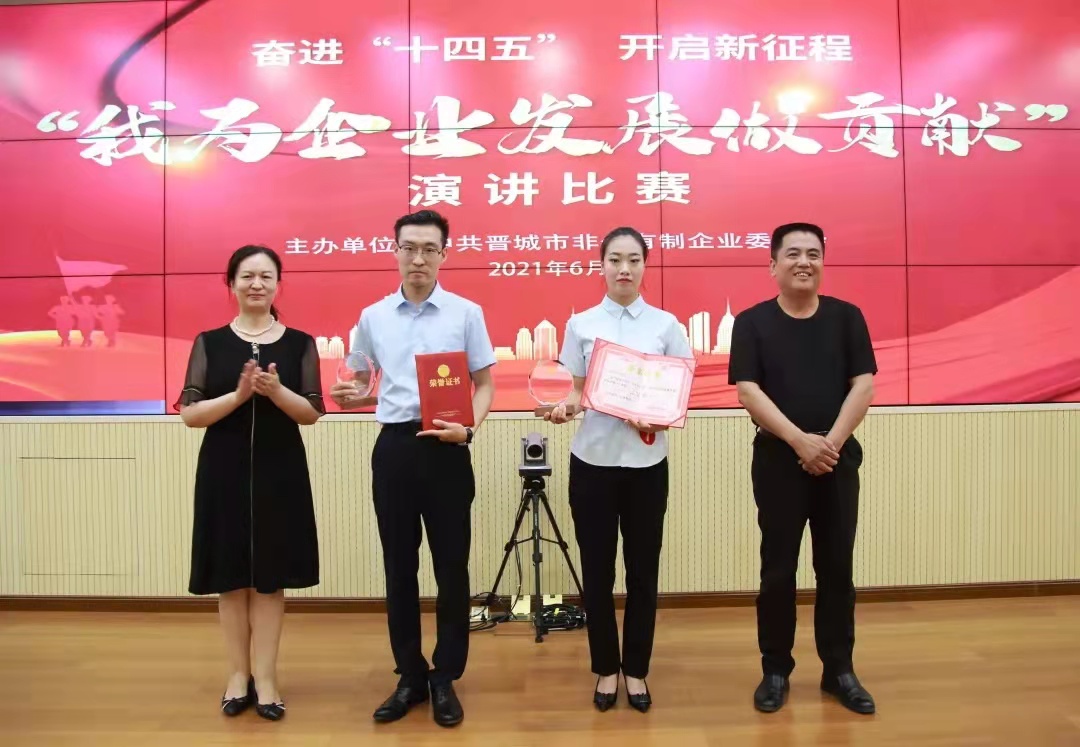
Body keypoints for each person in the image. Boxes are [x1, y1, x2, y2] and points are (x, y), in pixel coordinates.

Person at [330, 209, 496, 728]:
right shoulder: (373, 317)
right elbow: (361, 384)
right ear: (395, 251)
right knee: (398, 566)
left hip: (448, 448)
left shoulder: (466, 313)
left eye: (428, 248)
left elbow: (485, 385)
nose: (418, 258)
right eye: (409, 247)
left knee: (451, 566)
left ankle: (445, 676)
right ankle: (409, 674)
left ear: (444, 253)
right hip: (395, 448)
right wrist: (349, 394)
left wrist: (469, 430)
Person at [727, 222, 877, 715]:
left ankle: (839, 670)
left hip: (837, 459)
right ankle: (775, 670)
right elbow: (748, 392)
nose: (804, 262)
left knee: (837, 568)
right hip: (778, 461)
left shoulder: (847, 318)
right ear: (773, 265)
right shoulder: (752, 322)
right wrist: (799, 441)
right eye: (792, 253)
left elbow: (863, 386)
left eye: (813, 253)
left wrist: (828, 445)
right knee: (778, 569)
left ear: (823, 263)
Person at [545, 226, 693, 713]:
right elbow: (575, 390)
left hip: (647, 464)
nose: (624, 269)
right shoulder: (581, 324)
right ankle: (607, 667)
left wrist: (659, 417)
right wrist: (564, 408)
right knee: (597, 571)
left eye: (633, 259)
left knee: (643, 572)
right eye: (614, 259)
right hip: (593, 462)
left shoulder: (666, 326)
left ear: (645, 265)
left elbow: (678, 393)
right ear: (602, 265)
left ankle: (637, 670)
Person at [175, 245, 324, 722]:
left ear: (278, 284)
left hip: (281, 472)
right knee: (231, 578)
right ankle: (237, 676)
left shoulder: (299, 343)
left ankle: (267, 678)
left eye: (265, 276)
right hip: (223, 470)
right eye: (247, 276)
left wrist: (276, 391)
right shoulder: (210, 342)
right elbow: (191, 415)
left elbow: (312, 413)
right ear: (231, 283)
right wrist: (238, 396)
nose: (256, 284)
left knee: (269, 580)